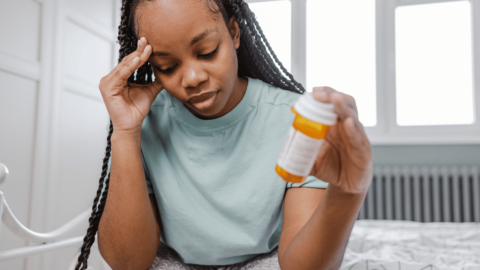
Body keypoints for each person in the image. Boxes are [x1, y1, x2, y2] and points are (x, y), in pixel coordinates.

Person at [74, 0, 372, 269]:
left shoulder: (295, 120)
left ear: (234, 33)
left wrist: (348, 193)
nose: (192, 78)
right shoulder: (144, 123)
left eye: (207, 52)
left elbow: (301, 267)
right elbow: (127, 263)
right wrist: (125, 133)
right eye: (167, 66)